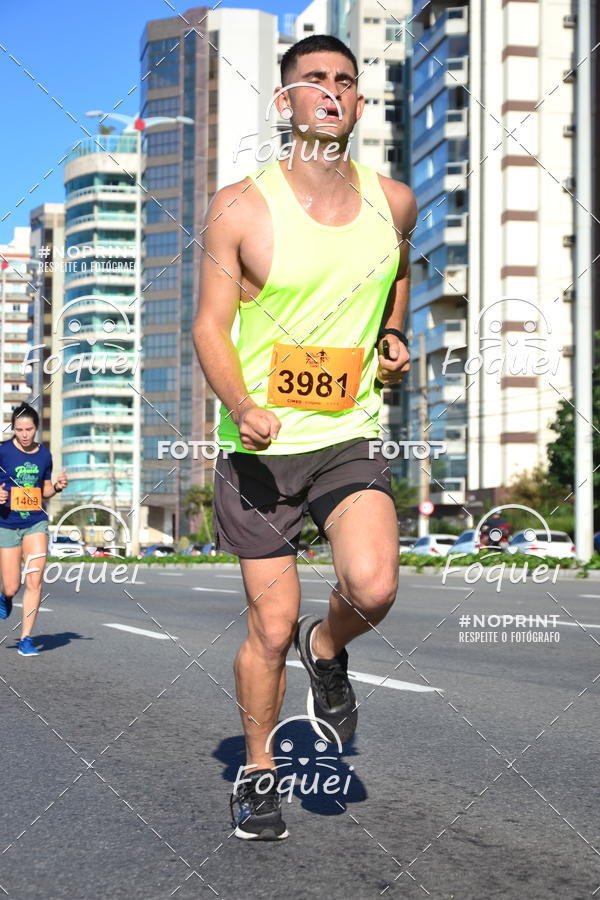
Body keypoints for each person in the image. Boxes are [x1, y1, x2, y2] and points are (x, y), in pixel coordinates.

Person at [193, 34, 416, 841]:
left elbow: (400, 272)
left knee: (374, 587)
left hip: (346, 434)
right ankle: (258, 773)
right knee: (269, 624)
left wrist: (392, 333)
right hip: (260, 450)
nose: (331, 91)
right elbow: (209, 326)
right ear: (284, 102)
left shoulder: (394, 202)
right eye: (313, 79)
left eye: (344, 81)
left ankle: (327, 646)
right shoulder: (241, 207)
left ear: (358, 103)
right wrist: (241, 402)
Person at [0, 403, 67, 656]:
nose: (24, 434)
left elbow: (44, 489)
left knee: (34, 580)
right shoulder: (3, 452)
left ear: (36, 428)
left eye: (28, 429)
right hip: (6, 523)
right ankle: (5, 597)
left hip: (36, 522)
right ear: (13, 429)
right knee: (11, 586)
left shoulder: (44, 455)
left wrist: (57, 487)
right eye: (19, 430)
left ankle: (26, 638)